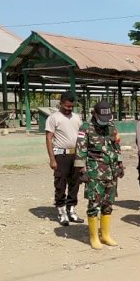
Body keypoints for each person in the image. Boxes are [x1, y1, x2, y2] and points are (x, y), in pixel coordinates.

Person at [75, 101, 124, 249]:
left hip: (111, 170)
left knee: (108, 203)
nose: (105, 121)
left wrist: (120, 164)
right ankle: (94, 237)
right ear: (94, 114)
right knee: (94, 203)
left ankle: (105, 235)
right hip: (94, 171)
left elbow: (116, 146)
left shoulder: (110, 125)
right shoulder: (85, 128)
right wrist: (81, 170)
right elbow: (80, 150)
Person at [45, 92, 85, 226]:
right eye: (67, 106)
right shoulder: (53, 118)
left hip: (76, 154)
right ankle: (62, 212)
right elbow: (49, 139)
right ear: (61, 103)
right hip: (61, 155)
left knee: (75, 183)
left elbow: (82, 136)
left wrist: (83, 156)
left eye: (71, 106)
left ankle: (72, 210)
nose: (69, 109)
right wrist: (52, 159)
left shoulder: (77, 117)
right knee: (60, 183)